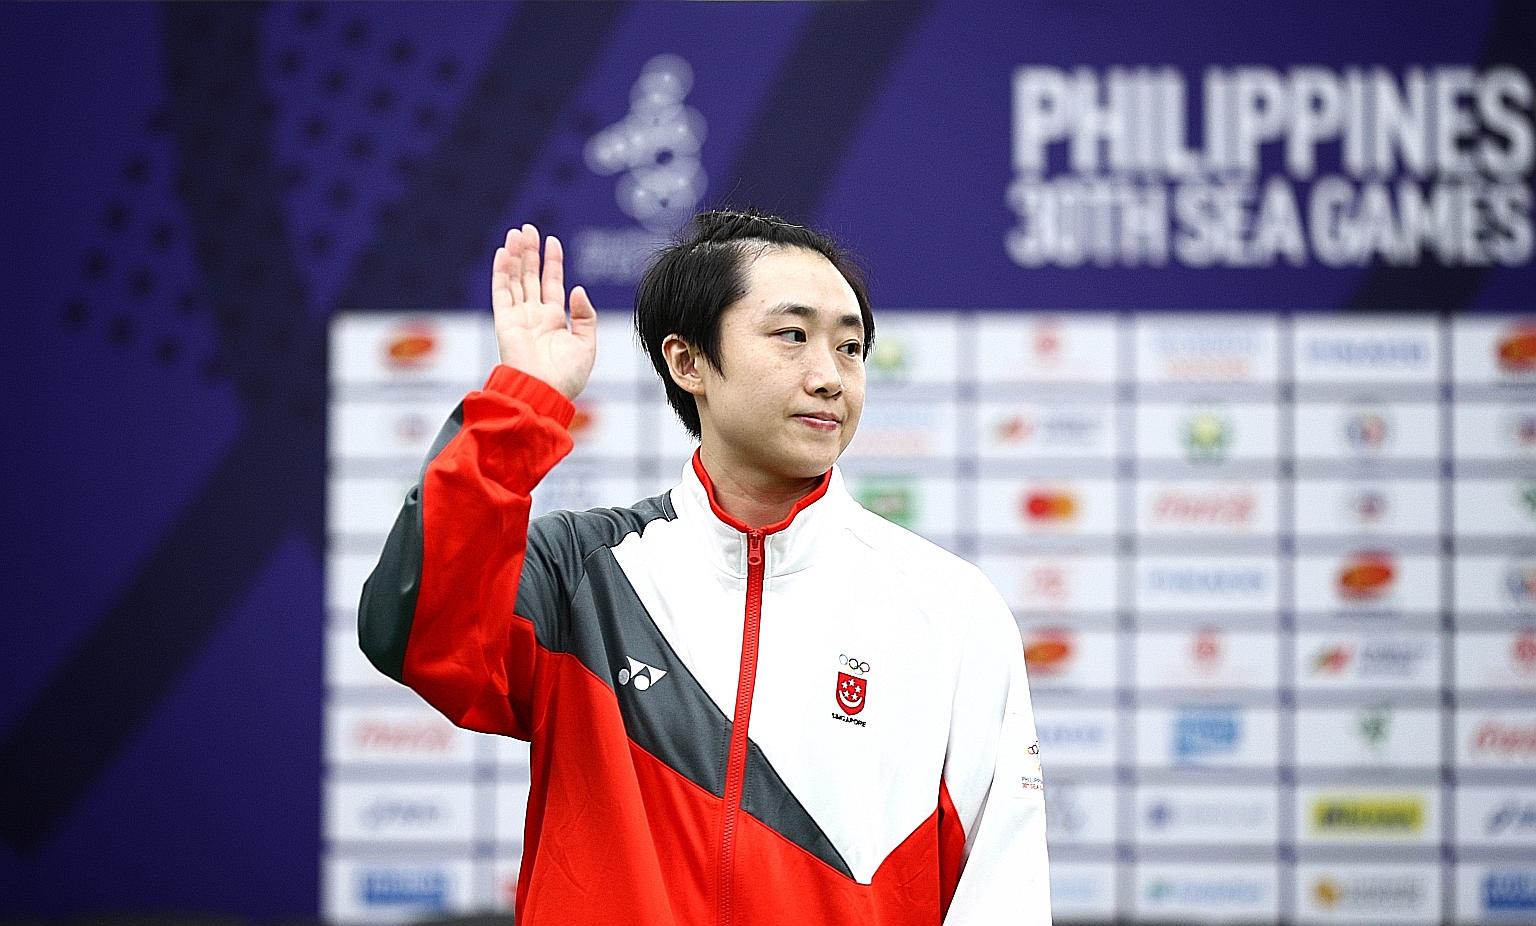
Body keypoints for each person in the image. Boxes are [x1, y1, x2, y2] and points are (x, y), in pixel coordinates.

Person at [359, 210, 1050, 925]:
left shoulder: (949, 606)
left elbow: (1003, 889)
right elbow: (413, 637)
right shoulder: (581, 573)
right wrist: (521, 405)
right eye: (792, 335)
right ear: (687, 362)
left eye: (850, 347)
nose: (829, 377)